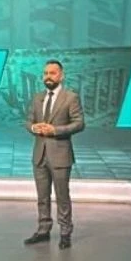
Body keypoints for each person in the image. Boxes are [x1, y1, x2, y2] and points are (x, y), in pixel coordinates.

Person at [23, 60, 85, 249]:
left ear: (61, 75)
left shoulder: (70, 98)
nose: (48, 77)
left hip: (60, 155)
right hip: (39, 155)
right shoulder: (37, 98)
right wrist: (34, 127)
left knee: (62, 196)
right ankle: (43, 230)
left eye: (52, 73)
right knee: (42, 196)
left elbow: (79, 123)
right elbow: (28, 121)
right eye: (45, 73)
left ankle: (65, 233)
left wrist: (55, 130)